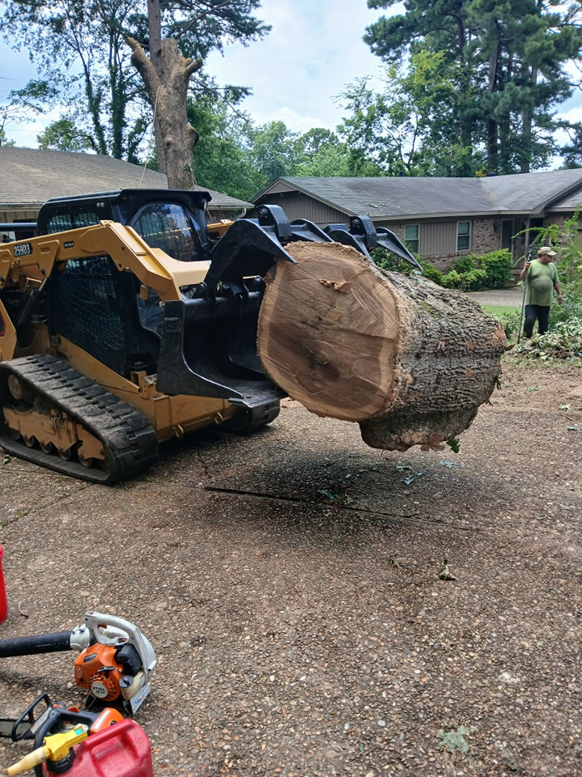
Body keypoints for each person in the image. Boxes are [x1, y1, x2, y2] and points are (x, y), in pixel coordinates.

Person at [520, 246, 562, 338]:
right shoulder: (532, 264)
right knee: (530, 320)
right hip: (532, 300)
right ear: (543, 255)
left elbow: (556, 281)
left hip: (546, 301)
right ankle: (526, 338)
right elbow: (522, 277)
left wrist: (559, 294)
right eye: (550, 256)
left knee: (544, 323)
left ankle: (541, 340)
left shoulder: (552, 266)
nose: (551, 258)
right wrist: (525, 269)